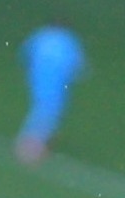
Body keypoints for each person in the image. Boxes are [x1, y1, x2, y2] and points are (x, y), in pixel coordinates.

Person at [17, 22, 85, 162]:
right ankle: (31, 145)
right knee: (49, 109)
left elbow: (25, 53)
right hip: (57, 81)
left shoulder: (42, 35)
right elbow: (76, 63)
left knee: (43, 107)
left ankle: (41, 141)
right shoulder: (67, 39)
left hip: (37, 77)